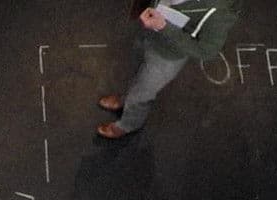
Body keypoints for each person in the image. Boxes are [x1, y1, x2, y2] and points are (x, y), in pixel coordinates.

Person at [96, 0, 241, 139]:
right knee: (134, 73)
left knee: (142, 93)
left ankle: (128, 124)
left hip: (167, 55)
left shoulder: (220, 9)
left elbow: (207, 51)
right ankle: (124, 100)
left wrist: (164, 27)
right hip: (148, 34)